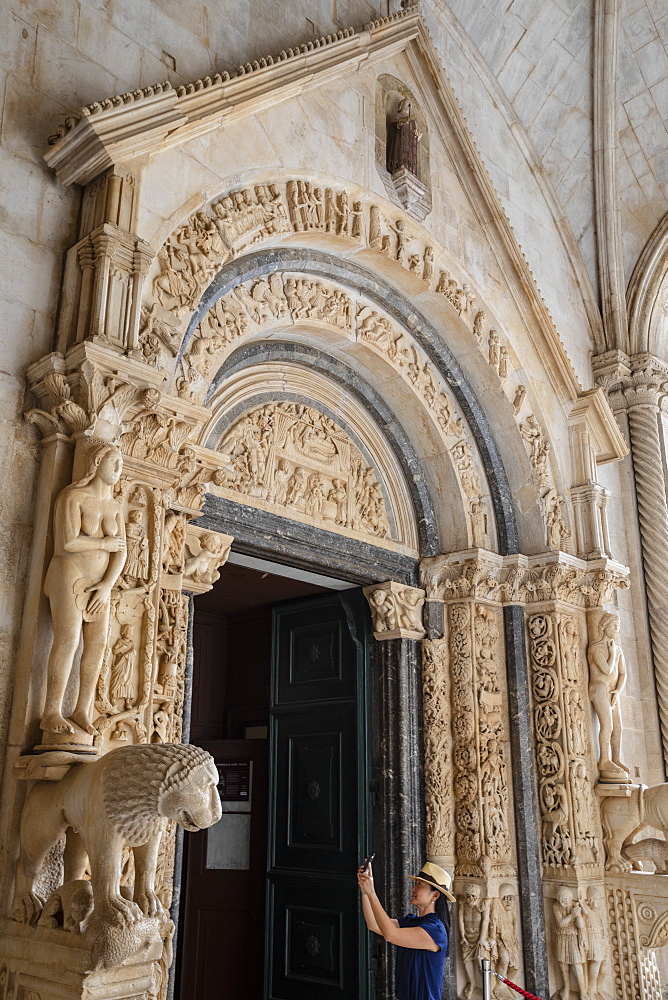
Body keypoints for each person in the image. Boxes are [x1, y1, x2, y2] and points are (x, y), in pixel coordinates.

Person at [357, 859, 454, 1000]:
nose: (413, 889)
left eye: (420, 885)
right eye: (415, 884)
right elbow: (373, 924)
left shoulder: (436, 931)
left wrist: (372, 893)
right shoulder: (412, 921)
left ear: (435, 895)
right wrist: (364, 891)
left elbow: (391, 934)